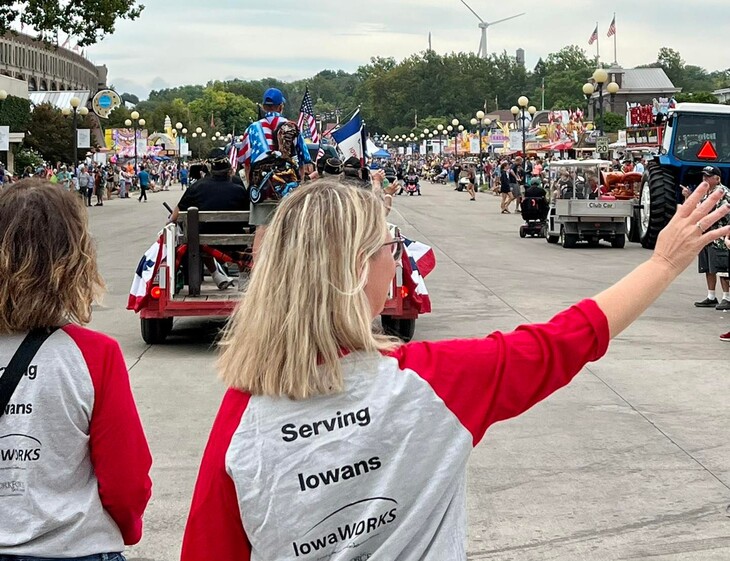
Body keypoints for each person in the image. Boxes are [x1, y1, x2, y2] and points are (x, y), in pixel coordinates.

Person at [180, 178, 730, 561]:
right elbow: (567, 340)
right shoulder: (433, 383)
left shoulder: (243, 415)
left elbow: (208, 549)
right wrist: (662, 264)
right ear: (355, 269)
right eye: (389, 246)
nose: (397, 259)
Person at [0, 179, 152, 560]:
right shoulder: (95, 355)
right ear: (73, 258)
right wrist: (125, 527)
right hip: (75, 548)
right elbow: (126, 481)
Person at [241, 88, 313, 261]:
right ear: (281, 106)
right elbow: (305, 163)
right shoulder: (292, 127)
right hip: (288, 187)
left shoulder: (252, 128)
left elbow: (246, 162)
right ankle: (287, 268)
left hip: (262, 186)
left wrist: (253, 184)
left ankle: (258, 271)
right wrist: (299, 184)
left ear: (264, 107)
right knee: (289, 229)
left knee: (262, 228)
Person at [169, 149, 251, 290]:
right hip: (236, 243)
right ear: (229, 169)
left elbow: (175, 216)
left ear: (209, 168)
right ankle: (243, 276)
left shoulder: (197, 187)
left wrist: (170, 221)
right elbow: (249, 217)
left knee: (196, 237)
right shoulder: (240, 188)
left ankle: (215, 274)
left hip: (205, 244)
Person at [687, 166, 730, 310]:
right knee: (708, 267)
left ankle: (727, 297)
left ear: (717, 179)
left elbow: (723, 212)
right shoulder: (706, 193)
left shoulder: (724, 192)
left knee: (722, 267)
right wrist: (688, 196)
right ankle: (711, 296)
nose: (704, 178)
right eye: (704, 175)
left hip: (720, 234)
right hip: (706, 234)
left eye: (708, 176)